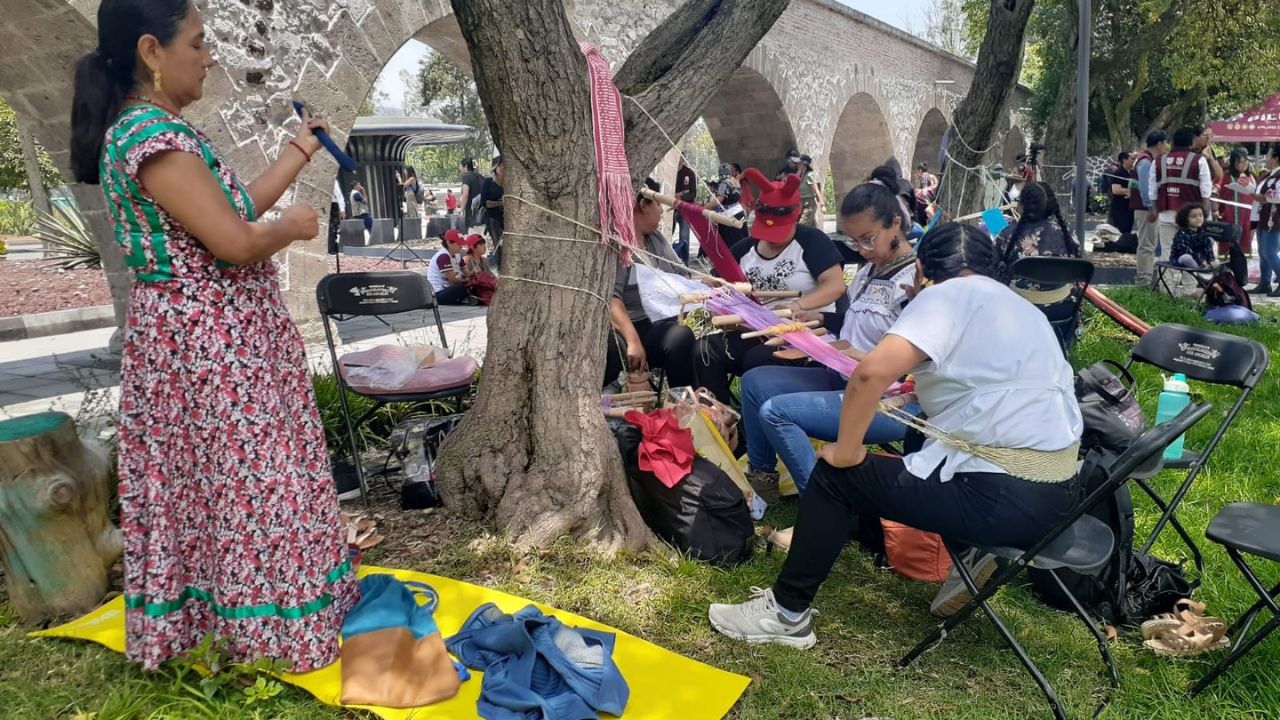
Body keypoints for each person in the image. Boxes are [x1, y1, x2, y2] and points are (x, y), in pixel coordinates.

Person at [68, 0, 357, 672]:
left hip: (214, 342)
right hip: (208, 348)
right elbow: (233, 239)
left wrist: (300, 149)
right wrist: (295, 225)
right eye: (198, 43)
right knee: (251, 483)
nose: (210, 55)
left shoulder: (158, 131)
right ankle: (265, 633)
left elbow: (227, 209)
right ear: (151, 50)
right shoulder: (150, 138)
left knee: (231, 486)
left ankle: (248, 622)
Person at [708, 222, 1083, 647]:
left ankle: (786, 613)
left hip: (1003, 502)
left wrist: (846, 451)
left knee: (836, 477)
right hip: (1060, 500)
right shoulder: (1022, 309)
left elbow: (870, 374)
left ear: (922, 270)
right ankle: (966, 553)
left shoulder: (947, 294)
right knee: (919, 445)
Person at [739, 165, 922, 498]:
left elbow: (917, 364)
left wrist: (859, 357)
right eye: (854, 241)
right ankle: (763, 481)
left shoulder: (915, 280)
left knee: (775, 411)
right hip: (842, 375)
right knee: (754, 382)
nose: (862, 249)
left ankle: (825, 502)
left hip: (889, 398)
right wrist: (817, 329)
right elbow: (857, 325)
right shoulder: (868, 272)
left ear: (895, 223)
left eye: (868, 239)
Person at [693, 169, 848, 406]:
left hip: (804, 334)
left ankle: (760, 425)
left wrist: (797, 305)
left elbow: (836, 286)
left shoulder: (812, 241)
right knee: (705, 350)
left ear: (794, 217)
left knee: (759, 359)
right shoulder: (746, 248)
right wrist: (713, 292)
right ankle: (722, 422)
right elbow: (719, 281)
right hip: (756, 330)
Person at [603, 178, 699, 390]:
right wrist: (633, 341)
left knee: (681, 337)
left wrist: (709, 288)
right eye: (658, 205)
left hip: (658, 322)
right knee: (677, 337)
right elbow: (612, 298)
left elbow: (682, 275)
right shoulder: (619, 246)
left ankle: (683, 404)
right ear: (643, 206)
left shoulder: (656, 239)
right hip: (628, 329)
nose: (662, 212)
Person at [1149, 127, 1213, 283]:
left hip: (1166, 214)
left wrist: (1155, 209)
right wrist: (1202, 215)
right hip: (1191, 218)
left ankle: (1167, 289)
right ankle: (1188, 290)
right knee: (1192, 255)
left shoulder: (1158, 160)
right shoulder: (1199, 160)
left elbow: (1152, 189)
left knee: (1167, 253)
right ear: (1191, 142)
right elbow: (1206, 190)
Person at [993, 181, 1080, 281]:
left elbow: (991, 267)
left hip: (1017, 295)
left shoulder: (1007, 234)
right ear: (1052, 205)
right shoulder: (1068, 234)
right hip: (1062, 295)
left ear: (1022, 205)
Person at [1132, 131, 1169, 286]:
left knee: (1149, 244)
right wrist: (1151, 207)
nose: (1167, 146)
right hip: (1146, 209)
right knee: (1147, 245)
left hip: (1147, 208)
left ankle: (1145, 278)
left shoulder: (1146, 159)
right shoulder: (1146, 162)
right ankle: (1143, 280)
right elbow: (1146, 188)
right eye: (1166, 142)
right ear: (1159, 144)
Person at [1217, 148, 1256, 287]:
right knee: (1227, 246)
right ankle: (1225, 278)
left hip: (1246, 218)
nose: (1242, 165)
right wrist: (1217, 210)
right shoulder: (1226, 176)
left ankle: (1241, 279)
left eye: (1245, 161)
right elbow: (1216, 193)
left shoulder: (1251, 177)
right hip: (1228, 216)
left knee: (1243, 246)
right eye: (1239, 162)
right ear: (1233, 162)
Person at [1253, 146, 1280, 297]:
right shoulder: (1268, 176)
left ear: (1276, 158)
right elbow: (1260, 192)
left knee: (1270, 252)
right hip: (1263, 216)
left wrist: (1265, 198)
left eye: (1268, 155)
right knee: (1263, 252)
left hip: (1274, 218)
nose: (1266, 158)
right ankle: (1265, 283)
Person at [704, 162, 747, 246]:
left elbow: (718, 201)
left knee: (729, 245)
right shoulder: (736, 182)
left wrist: (703, 208)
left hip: (729, 218)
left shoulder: (724, 184)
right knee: (741, 243)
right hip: (740, 214)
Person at [428, 229, 471, 305]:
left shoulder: (457, 255)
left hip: (449, 288)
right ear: (448, 243)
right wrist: (467, 280)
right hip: (439, 292)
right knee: (461, 287)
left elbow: (468, 273)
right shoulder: (443, 256)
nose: (461, 247)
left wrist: (476, 274)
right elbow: (453, 280)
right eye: (458, 244)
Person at [1170, 204, 1214, 269]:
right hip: (1181, 258)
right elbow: (1186, 251)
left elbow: (1207, 247)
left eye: (1200, 215)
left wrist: (1211, 260)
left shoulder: (1202, 232)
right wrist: (1200, 261)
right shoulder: (1182, 233)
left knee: (1210, 239)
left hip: (1198, 258)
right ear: (1185, 219)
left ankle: (1206, 267)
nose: (1198, 218)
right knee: (1186, 257)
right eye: (1194, 216)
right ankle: (1199, 271)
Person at [481, 156, 505, 267]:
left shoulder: (509, 182)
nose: (502, 168)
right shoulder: (488, 182)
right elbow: (485, 203)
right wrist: (502, 203)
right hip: (493, 218)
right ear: (495, 167)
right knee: (498, 245)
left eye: (504, 165)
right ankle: (500, 267)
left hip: (506, 218)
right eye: (500, 165)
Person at [672, 156, 697, 264]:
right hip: (670, 207)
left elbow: (692, 193)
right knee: (669, 233)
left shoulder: (689, 173)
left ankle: (684, 262)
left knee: (684, 236)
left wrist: (680, 197)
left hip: (684, 209)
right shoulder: (671, 171)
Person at [1107, 152, 1135, 238]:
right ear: (1124, 160)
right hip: (1119, 209)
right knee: (1118, 232)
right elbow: (1116, 190)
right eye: (1131, 159)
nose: (1133, 161)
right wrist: (1130, 191)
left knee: (1127, 230)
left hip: (1128, 208)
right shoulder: (1118, 173)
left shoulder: (1130, 173)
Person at [797, 154, 825, 228]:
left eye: (800, 163)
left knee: (802, 226)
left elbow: (816, 190)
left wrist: (822, 205)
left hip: (809, 204)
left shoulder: (809, 175)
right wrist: (799, 171)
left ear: (804, 164)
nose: (798, 165)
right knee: (812, 228)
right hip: (801, 203)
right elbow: (794, 183)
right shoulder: (800, 175)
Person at [459, 158, 483, 230]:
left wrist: (461, 209)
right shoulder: (479, 176)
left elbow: (465, 195)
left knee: (472, 235)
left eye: (460, 166)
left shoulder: (467, 177)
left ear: (465, 167)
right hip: (481, 212)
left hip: (471, 212)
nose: (459, 168)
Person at [328, 178, 345, 254]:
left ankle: (332, 249)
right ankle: (331, 249)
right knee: (331, 227)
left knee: (332, 228)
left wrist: (342, 210)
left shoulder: (332, 181)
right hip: (329, 204)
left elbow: (339, 195)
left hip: (331, 204)